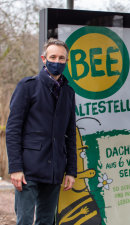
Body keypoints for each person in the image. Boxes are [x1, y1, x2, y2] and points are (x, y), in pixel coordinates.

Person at [6, 38, 77, 225]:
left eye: (62, 58)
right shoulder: (27, 86)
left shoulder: (68, 92)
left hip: (55, 170)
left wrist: (71, 171)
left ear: (66, 62)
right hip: (28, 169)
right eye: (52, 57)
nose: (57, 61)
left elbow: (70, 134)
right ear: (44, 59)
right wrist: (15, 168)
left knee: (47, 221)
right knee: (25, 220)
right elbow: (13, 129)